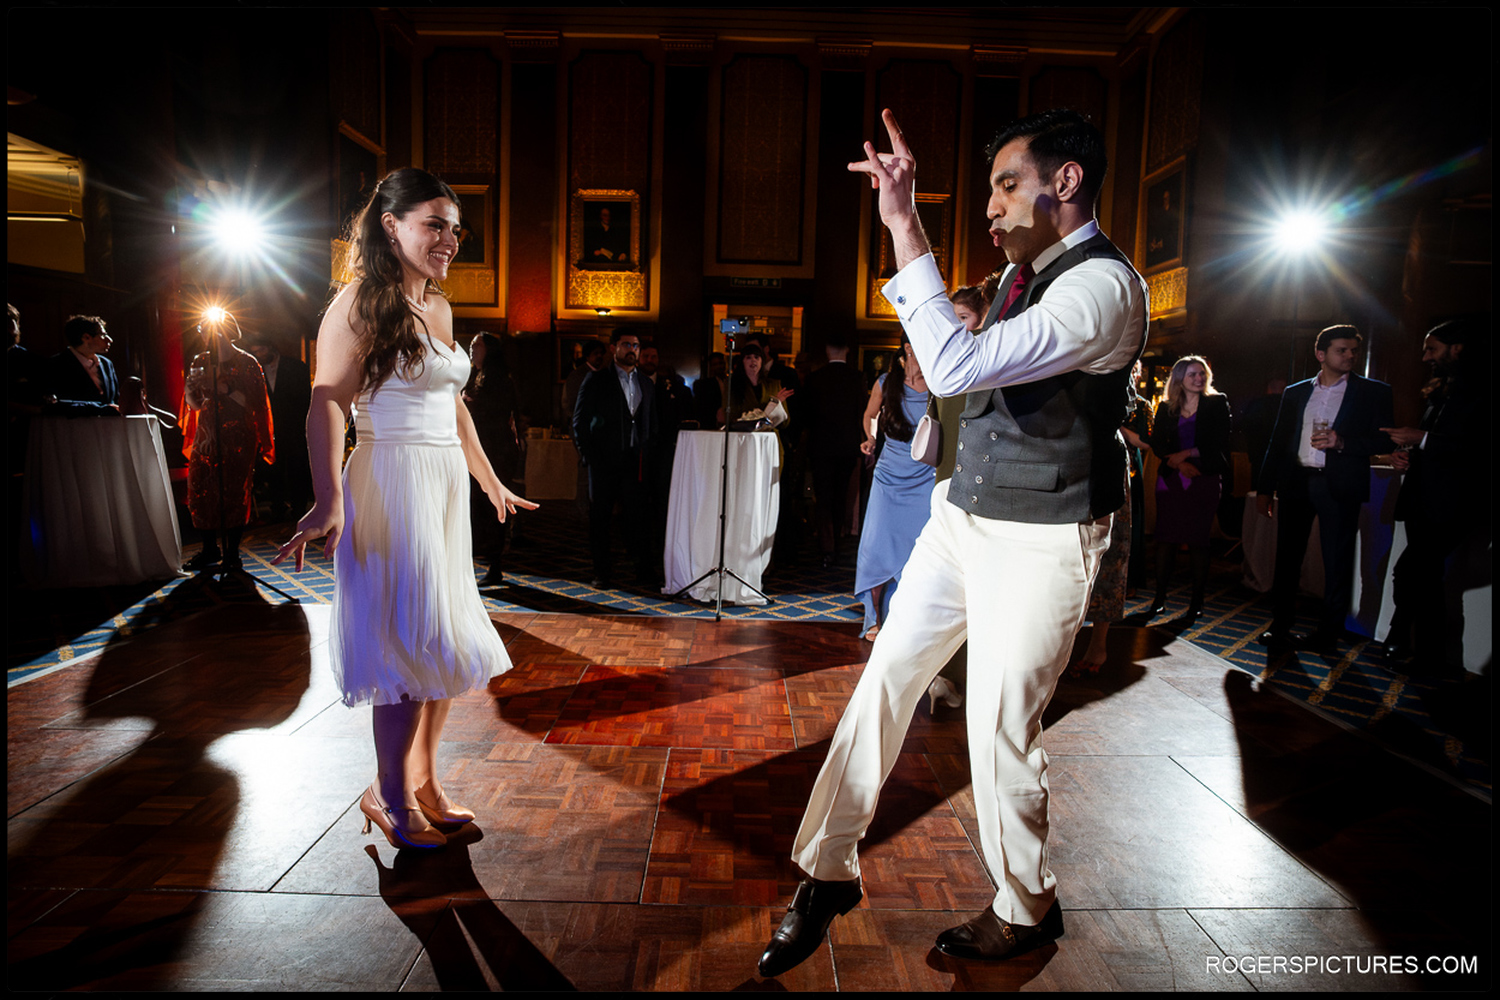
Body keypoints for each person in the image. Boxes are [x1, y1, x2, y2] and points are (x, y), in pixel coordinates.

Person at [758, 108, 1146, 977]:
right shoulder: (1021, 273)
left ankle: (1025, 907)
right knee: (885, 680)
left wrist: (904, 224)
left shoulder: (1100, 288)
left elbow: (955, 369)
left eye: (1008, 185)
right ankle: (826, 872)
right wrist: (906, 226)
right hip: (963, 518)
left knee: (998, 724)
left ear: (1066, 182)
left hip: (1043, 537)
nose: (994, 206)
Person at [273, 167, 536, 850]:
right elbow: (327, 401)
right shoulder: (359, 302)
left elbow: (452, 408)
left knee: (442, 646)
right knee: (401, 650)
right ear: (391, 226)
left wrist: (488, 479)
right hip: (389, 481)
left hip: (442, 487)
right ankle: (387, 795)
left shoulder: (442, 309)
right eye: (434, 224)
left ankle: (423, 782)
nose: (449, 238)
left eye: (454, 227)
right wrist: (328, 496)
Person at [1256, 325, 1392, 652]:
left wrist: (1342, 442)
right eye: (1341, 350)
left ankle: (1328, 633)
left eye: (1353, 351)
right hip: (1297, 481)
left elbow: (1384, 438)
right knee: (1288, 558)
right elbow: (1277, 442)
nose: (1349, 356)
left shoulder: (1374, 391)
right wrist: (1264, 488)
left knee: (1337, 560)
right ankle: (1280, 624)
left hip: (1339, 485)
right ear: (1321, 354)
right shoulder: (1296, 392)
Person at [1380, 317, 1490, 675]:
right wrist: (1408, 455)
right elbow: (1434, 445)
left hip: (1454, 503)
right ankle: (1421, 650)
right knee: (1421, 576)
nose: (1425, 356)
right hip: (1423, 499)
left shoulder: (1482, 390)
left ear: (1458, 348)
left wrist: (1421, 439)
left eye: (1432, 348)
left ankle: (1412, 643)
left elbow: (1476, 451)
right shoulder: (1442, 389)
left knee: (1412, 571)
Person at [853, 330, 933, 642]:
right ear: (908, 348)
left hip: (925, 474)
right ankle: (874, 619)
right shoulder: (887, 382)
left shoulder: (937, 383)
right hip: (889, 475)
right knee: (876, 545)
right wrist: (870, 437)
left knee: (918, 548)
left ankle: (910, 619)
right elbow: (870, 415)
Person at [180, 324, 275, 572]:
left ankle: (232, 553)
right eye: (201, 329)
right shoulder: (201, 359)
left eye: (210, 329)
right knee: (201, 488)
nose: (205, 334)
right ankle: (209, 548)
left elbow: (255, 405)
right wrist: (190, 392)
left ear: (226, 331)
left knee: (234, 491)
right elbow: (196, 405)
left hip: (238, 435)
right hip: (207, 434)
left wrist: (225, 389)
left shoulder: (247, 362)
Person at [1146, 355, 1231, 624]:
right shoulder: (1167, 407)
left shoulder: (1217, 403)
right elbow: (1157, 443)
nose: (1199, 378)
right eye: (1193, 374)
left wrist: (1188, 454)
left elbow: (1220, 441)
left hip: (1204, 475)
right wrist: (1179, 462)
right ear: (1180, 378)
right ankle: (1159, 599)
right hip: (1172, 478)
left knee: (1198, 540)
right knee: (1166, 539)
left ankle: (1196, 604)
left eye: (1202, 374)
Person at [573, 328, 656, 588]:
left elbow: (651, 422)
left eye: (636, 345)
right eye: (626, 344)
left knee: (637, 519)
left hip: (635, 462)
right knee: (601, 519)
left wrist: (648, 451)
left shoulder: (646, 383)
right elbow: (580, 421)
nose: (632, 349)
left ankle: (641, 571)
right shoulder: (596, 380)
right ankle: (602, 573)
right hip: (604, 463)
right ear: (613, 348)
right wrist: (588, 455)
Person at [800, 338, 867, 568]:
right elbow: (861, 413)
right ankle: (837, 546)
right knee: (841, 499)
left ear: (827, 349)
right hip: (847, 447)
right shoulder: (857, 377)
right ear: (847, 348)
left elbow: (806, 416)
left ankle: (826, 549)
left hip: (821, 447)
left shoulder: (814, 378)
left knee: (824, 499)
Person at [465, 331, 523, 587]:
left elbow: (497, 413)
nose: (472, 348)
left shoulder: (499, 377)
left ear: (489, 350)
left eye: (476, 345)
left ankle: (495, 563)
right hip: (474, 448)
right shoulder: (471, 374)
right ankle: (481, 560)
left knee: (493, 505)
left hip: (495, 449)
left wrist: (469, 403)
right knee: (475, 507)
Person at [244, 335, 313, 522]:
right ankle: (278, 507)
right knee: (273, 468)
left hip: (294, 426)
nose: (259, 355)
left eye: (262, 350)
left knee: (297, 469)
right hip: (269, 428)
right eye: (255, 352)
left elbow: (305, 400)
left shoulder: (296, 367)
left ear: (272, 346)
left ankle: (299, 508)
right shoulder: (254, 371)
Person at [43, 315, 119, 416]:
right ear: (86, 337)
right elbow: (55, 403)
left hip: (107, 428)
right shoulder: (56, 364)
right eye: (103, 335)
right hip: (75, 428)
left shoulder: (107, 364)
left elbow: (115, 399)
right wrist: (98, 409)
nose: (109, 340)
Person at [721, 346, 793, 428]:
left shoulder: (774, 385)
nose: (753, 360)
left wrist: (777, 404)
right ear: (742, 362)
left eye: (756, 357)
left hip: (768, 436)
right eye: (748, 357)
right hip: (744, 435)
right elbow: (731, 417)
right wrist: (771, 407)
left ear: (762, 361)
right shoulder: (732, 385)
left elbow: (785, 422)